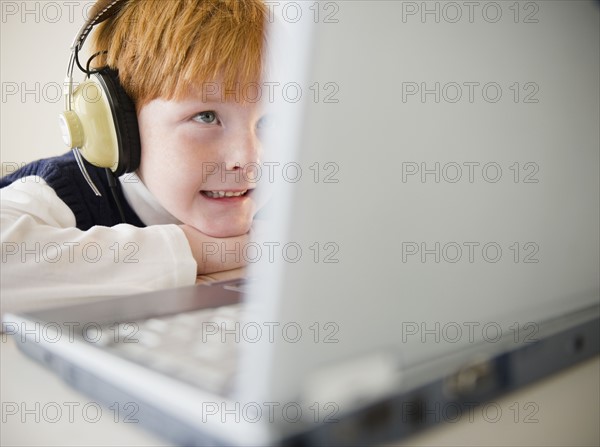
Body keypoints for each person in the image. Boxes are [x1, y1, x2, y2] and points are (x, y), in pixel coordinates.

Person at [0, 0, 269, 313]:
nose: (251, 158)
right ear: (119, 125)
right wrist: (203, 252)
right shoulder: (64, 191)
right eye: (206, 116)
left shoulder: (286, 205)